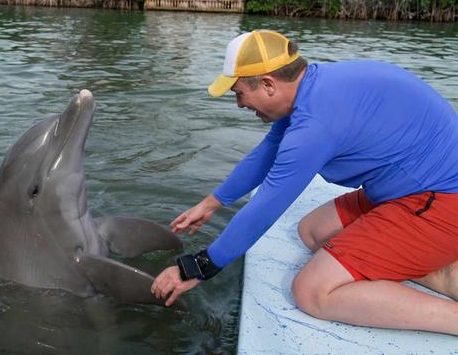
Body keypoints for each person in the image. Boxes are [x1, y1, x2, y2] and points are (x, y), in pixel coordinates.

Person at [150, 30, 458, 335]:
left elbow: (266, 206)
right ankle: (430, 264)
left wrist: (198, 267)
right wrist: (213, 202)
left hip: (438, 202)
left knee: (311, 291)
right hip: (406, 188)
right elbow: (267, 153)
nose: (239, 105)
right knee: (313, 231)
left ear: (268, 84)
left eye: (239, 92)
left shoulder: (315, 126)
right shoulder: (314, 87)